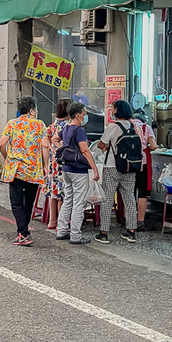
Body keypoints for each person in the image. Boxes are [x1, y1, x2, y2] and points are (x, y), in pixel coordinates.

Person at [0, 96, 50, 246]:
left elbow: (2, 144)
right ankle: (23, 231)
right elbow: (45, 146)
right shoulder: (40, 125)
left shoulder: (12, 124)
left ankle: (23, 233)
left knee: (16, 202)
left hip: (16, 169)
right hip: (33, 169)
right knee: (29, 202)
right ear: (32, 110)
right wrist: (45, 165)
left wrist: (8, 158)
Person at [94, 99, 139, 243]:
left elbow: (101, 144)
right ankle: (131, 231)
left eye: (113, 109)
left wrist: (105, 146)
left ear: (117, 111)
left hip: (112, 166)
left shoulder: (112, 127)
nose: (112, 111)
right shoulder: (134, 126)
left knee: (107, 199)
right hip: (130, 167)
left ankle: (104, 232)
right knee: (129, 199)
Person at [56, 102, 100, 245]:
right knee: (79, 203)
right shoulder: (79, 130)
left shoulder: (66, 127)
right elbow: (85, 151)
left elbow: (54, 139)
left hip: (67, 169)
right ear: (78, 115)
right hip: (78, 170)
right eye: (84, 113)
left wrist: (64, 149)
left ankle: (61, 231)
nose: (86, 115)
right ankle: (75, 235)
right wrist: (95, 168)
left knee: (68, 199)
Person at [44, 99, 70, 230]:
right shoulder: (67, 125)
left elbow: (47, 136)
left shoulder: (54, 123)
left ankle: (52, 220)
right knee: (62, 191)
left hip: (53, 159)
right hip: (62, 159)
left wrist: (52, 146)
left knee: (53, 190)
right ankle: (62, 222)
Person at [130, 110, 157, 230]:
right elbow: (154, 146)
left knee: (129, 192)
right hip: (143, 164)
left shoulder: (128, 126)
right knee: (142, 193)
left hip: (129, 164)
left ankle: (128, 220)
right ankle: (140, 222)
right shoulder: (147, 128)